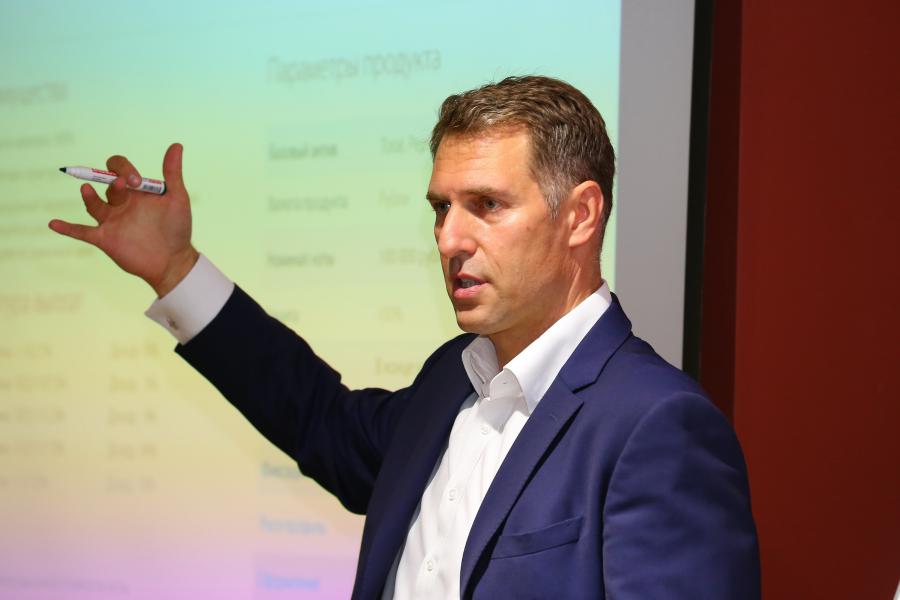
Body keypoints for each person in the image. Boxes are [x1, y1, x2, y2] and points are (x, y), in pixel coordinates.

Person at [50, 76, 760, 599]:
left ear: (580, 216)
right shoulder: (452, 379)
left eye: (486, 205)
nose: (449, 239)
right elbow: (320, 419)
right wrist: (175, 269)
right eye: (441, 208)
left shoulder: (655, 425)